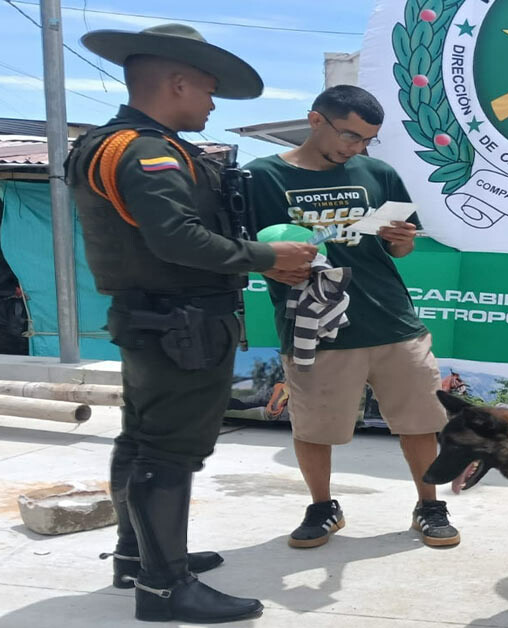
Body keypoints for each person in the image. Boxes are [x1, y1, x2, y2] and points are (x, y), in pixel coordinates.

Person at [66, 24, 316, 623]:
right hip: (181, 323)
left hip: (154, 319)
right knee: (169, 452)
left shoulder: (110, 143)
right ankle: (164, 587)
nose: (212, 104)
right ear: (177, 82)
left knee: (141, 439)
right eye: (207, 90)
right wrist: (268, 257)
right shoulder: (146, 150)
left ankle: (138, 557)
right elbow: (176, 238)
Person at [246, 85, 460, 550]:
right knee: (314, 427)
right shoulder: (261, 176)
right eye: (349, 135)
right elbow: (241, 248)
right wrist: (269, 266)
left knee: (420, 420)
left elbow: (400, 250)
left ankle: (429, 506)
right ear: (315, 120)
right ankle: (323, 506)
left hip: (392, 321)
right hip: (314, 327)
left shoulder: (378, 173)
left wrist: (403, 240)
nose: (356, 147)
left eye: (366, 139)